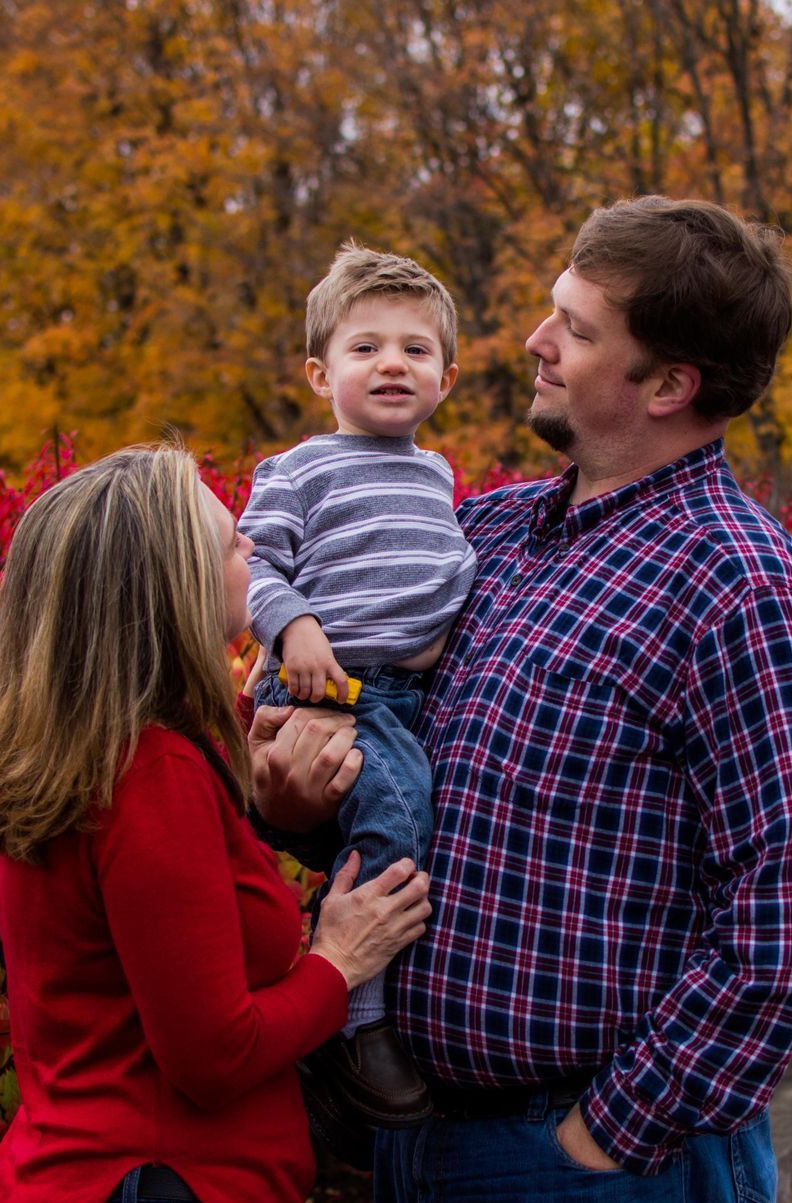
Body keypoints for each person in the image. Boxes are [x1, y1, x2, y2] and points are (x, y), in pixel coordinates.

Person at [256, 196, 792, 1203]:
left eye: (578, 328)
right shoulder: (480, 537)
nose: (537, 342)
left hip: (589, 1170)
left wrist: (616, 1127)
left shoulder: (737, 581)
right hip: (425, 1142)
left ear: (670, 384)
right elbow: (405, 796)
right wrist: (303, 806)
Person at [0, 443, 431, 1203]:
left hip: (86, 1196)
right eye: (233, 544)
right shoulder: (149, 773)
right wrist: (337, 962)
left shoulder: (91, 753)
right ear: (171, 587)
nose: (254, 553)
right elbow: (215, 1056)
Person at [239, 245, 474, 1129]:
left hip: (403, 695)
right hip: (331, 689)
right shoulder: (298, 469)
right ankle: (357, 1018)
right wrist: (295, 628)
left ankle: (385, 1000)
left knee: (407, 822)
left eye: (415, 351)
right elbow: (254, 570)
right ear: (318, 372)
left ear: (446, 377)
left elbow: (434, 577)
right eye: (365, 347)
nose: (391, 365)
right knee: (402, 817)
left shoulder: (439, 475)